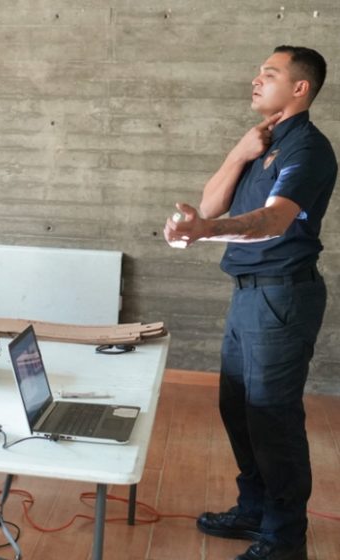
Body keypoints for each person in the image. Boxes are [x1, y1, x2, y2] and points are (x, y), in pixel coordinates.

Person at [164, 46, 334, 560]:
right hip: (249, 296)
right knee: (237, 408)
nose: (255, 80)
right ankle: (255, 510)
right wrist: (238, 154)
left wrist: (206, 230)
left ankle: (284, 539)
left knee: (271, 417)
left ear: (300, 88)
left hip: (282, 296)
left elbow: (274, 220)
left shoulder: (307, 149)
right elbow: (213, 202)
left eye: (269, 74)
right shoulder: (261, 144)